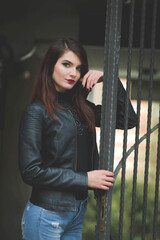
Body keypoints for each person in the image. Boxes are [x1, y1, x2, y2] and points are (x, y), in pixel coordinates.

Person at [18, 37, 137, 240]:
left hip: (77, 211)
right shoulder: (37, 112)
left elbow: (127, 120)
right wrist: (85, 179)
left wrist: (111, 81)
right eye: (66, 64)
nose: (73, 73)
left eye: (78, 68)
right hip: (47, 214)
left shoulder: (83, 109)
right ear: (50, 66)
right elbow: (30, 171)